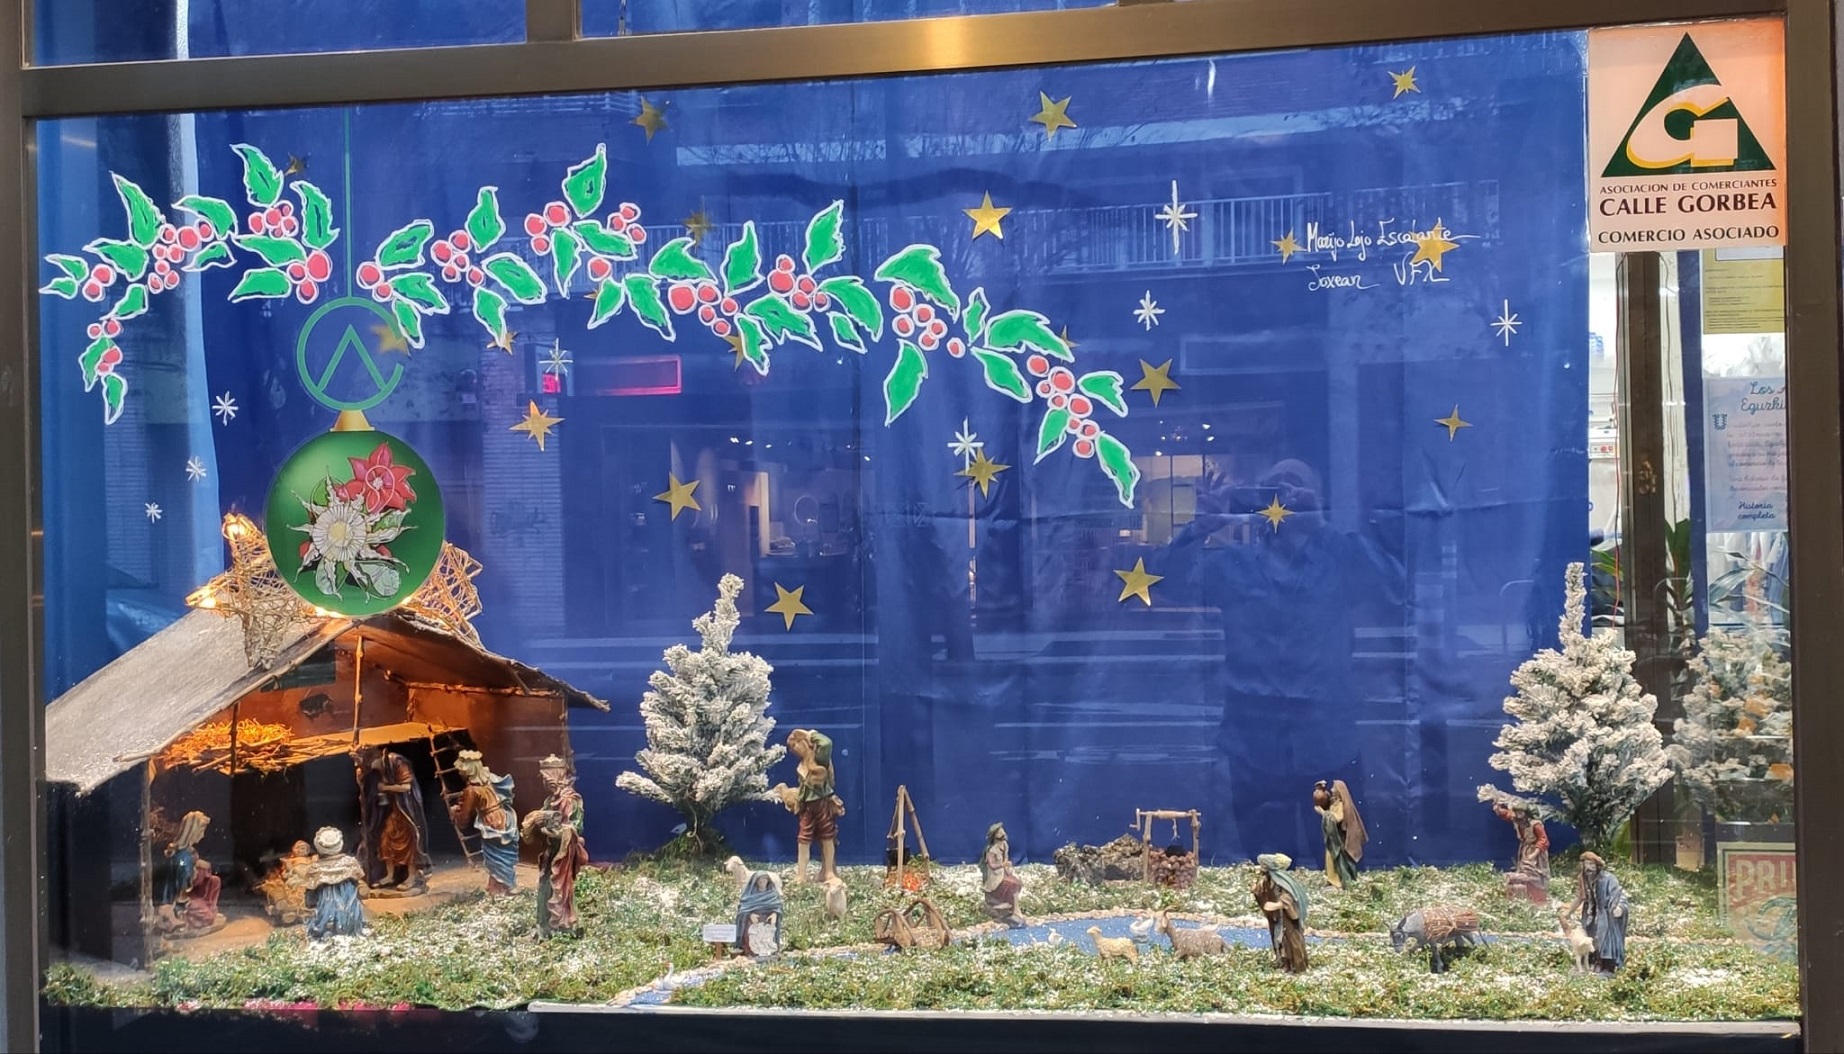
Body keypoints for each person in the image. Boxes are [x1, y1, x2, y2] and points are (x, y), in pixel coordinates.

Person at [1163, 459, 1404, 862]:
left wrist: (1320, 523)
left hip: (1328, 739)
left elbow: (1391, 583)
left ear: (1317, 499)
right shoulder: (1233, 565)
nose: (1285, 497)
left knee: (1342, 862)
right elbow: (1169, 582)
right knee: (1266, 868)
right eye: (1273, 487)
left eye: (1298, 489)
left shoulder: (1340, 559)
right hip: (1253, 744)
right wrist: (1201, 527)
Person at [521, 754, 588, 937]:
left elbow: (575, 827)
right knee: (545, 886)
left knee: (560, 890)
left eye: (547, 777)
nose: (544, 782)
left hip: (563, 853)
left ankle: (563, 924)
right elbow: (545, 820)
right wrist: (536, 823)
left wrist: (555, 831)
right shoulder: (550, 800)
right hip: (551, 851)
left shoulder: (570, 800)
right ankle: (545, 925)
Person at [355, 745, 431, 892]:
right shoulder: (377, 769)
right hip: (394, 810)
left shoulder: (396, 761)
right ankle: (389, 875)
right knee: (386, 840)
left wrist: (386, 788)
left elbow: (406, 787)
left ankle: (411, 876)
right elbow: (365, 783)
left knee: (409, 842)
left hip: (406, 809)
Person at [449, 749, 519, 895]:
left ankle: (507, 884)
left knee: (495, 855)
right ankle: (495, 885)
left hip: (491, 821)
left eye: (461, 770)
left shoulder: (471, 791)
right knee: (499, 852)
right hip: (504, 816)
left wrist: (455, 813)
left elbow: (465, 816)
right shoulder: (490, 779)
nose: (460, 774)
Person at [786, 729, 843, 885]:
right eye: (793, 746)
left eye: (797, 743)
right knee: (803, 839)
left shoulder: (819, 758)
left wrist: (809, 734)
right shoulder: (800, 766)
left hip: (822, 803)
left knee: (827, 836)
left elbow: (827, 743)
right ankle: (801, 875)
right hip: (807, 807)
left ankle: (829, 872)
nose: (796, 748)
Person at [299, 827, 367, 940]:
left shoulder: (315, 869)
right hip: (351, 915)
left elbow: (310, 900)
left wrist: (310, 903)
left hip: (325, 917)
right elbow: (357, 883)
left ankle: (327, 930)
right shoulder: (350, 863)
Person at [1252, 852, 1310, 973]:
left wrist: (1278, 904)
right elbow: (1262, 891)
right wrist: (1256, 891)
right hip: (1277, 917)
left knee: (1291, 940)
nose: (1261, 869)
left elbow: (1289, 896)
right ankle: (1284, 963)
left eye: (1263, 866)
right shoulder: (1266, 880)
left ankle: (1297, 965)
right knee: (1279, 940)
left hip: (1286, 917)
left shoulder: (1282, 882)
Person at [1575, 851, 1628, 974]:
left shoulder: (1608, 879)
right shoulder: (1584, 879)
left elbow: (1618, 895)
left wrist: (1619, 908)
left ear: (1597, 866)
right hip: (1590, 914)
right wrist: (1568, 913)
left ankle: (1607, 964)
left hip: (1605, 914)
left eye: (1591, 864)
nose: (1588, 868)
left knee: (1603, 934)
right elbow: (1581, 897)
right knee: (1589, 937)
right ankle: (1594, 960)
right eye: (1586, 864)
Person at [1313, 779, 1367, 889]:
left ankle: (1337, 882)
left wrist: (1323, 813)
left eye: (1334, 788)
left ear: (1339, 791)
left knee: (1336, 860)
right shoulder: (1334, 803)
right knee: (1329, 859)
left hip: (1338, 840)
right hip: (1332, 838)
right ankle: (1332, 879)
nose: (1331, 790)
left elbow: (1338, 818)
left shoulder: (1341, 805)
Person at [1493, 802, 1550, 904]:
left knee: (1535, 873)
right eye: (1517, 812)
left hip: (1536, 852)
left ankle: (1538, 897)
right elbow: (1507, 814)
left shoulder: (1535, 824)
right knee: (1524, 871)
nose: (1518, 815)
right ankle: (1527, 895)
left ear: (1525, 813)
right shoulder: (1517, 820)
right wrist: (1498, 809)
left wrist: (1534, 854)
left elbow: (1543, 839)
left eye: (1521, 812)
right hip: (1526, 849)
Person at [979, 823, 1027, 928]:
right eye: (1000, 832)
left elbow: (1006, 859)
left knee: (1017, 883)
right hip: (995, 876)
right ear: (995, 835)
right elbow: (992, 865)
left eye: (1003, 831)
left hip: (1004, 873)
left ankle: (1015, 909)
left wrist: (1008, 868)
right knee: (1010, 884)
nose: (1003, 833)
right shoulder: (992, 850)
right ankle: (1012, 911)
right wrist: (1003, 864)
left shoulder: (1005, 845)